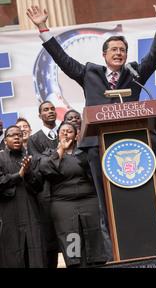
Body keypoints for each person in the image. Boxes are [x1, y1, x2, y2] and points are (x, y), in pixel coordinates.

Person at [26, 0, 156, 257]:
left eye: (122, 50)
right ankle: (115, 254)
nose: (119, 53)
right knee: (107, 204)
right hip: (98, 149)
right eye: (113, 50)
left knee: (139, 199)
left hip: (134, 146)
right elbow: (61, 58)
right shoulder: (88, 74)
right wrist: (43, 28)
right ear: (104, 55)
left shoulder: (135, 73)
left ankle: (149, 249)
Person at [37, 122, 108, 267]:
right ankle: (75, 264)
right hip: (63, 204)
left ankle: (98, 263)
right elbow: (45, 169)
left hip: (90, 200)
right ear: (58, 135)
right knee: (71, 236)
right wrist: (61, 150)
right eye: (62, 131)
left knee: (94, 235)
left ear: (76, 135)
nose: (65, 134)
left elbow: (95, 170)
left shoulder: (84, 152)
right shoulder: (49, 153)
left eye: (69, 131)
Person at [0, 126, 47, 267]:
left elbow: (40, 186)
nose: (16, 138)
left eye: (19, 135)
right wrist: (18, 176)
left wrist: (28, 173)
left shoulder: (31, 158)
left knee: (36, 256)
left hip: (31, 214)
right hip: (9, 214)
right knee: (11, 256)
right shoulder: (0, 157)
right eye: (12, 135)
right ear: (5, 139)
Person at [27, 101, 59, 267]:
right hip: (46, 194)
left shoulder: (65, 132)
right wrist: (58, 155)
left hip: (66, 193)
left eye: (52, 108)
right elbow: (39, 164)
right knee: (50, 241)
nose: (50, 111)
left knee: (71, 238)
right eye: (46, 110)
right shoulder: (33, 139)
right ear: (40, 116)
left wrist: (48, 156)